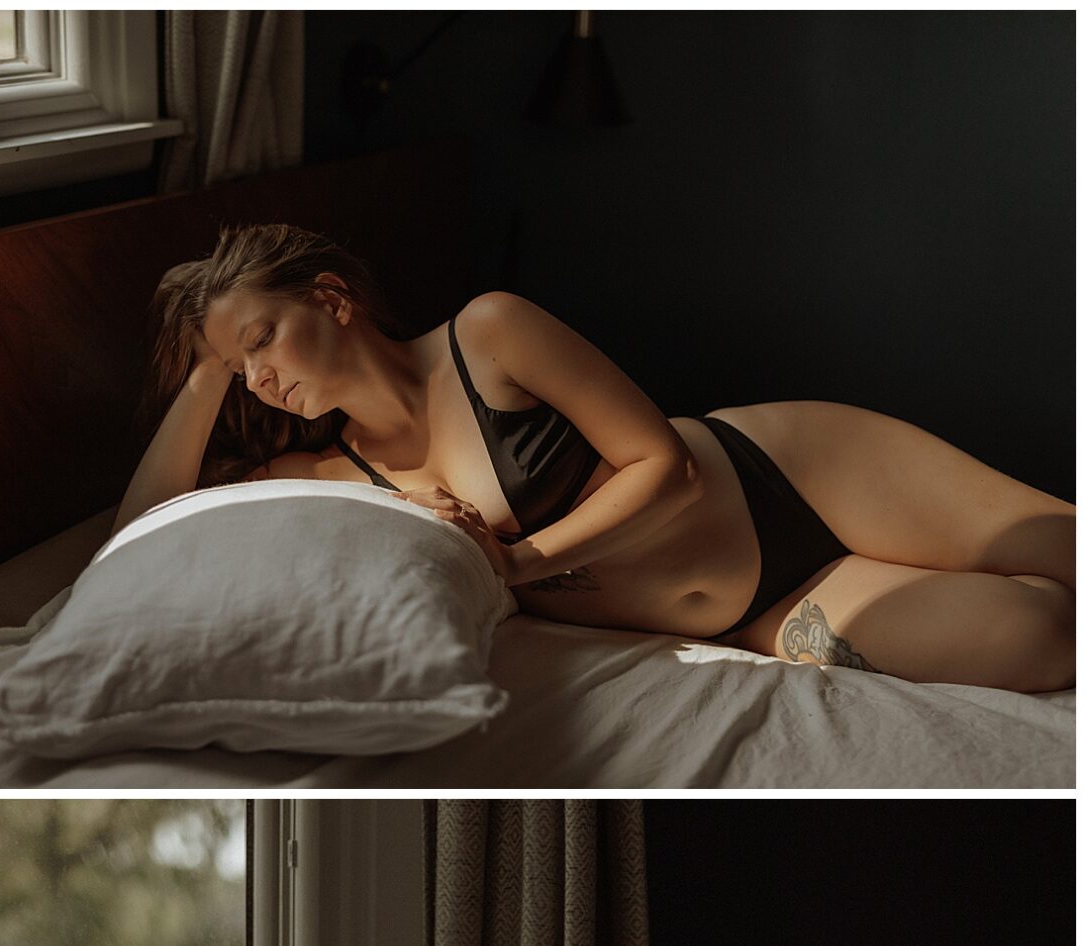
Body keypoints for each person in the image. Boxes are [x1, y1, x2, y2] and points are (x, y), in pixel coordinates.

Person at [112, 222, 1075, 693]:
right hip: (768, 608)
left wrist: (518, 563)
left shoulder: (486, 335)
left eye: (261, 340)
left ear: (330, 299)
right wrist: (202, 376)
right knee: (1047, 644)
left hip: (790, 469)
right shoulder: (337, 478)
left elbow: (666, 464)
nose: (258, 379)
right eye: (237, 371)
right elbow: (139, 541)